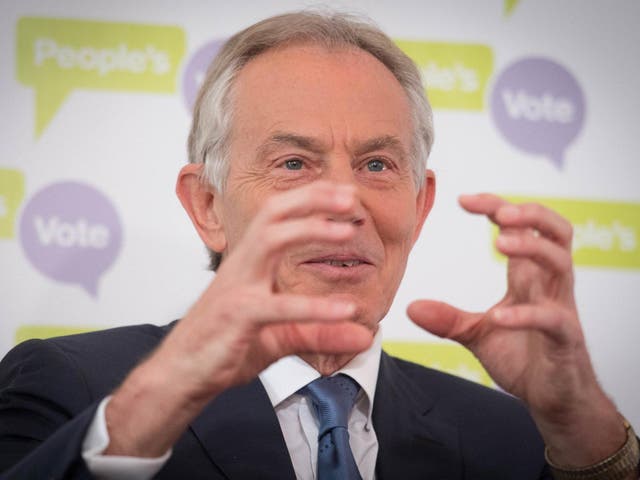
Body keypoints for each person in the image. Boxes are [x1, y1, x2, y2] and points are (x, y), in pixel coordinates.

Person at [1, 10, 638, 480]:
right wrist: (152, 409)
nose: (344, 204)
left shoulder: (516, 439)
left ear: (420, 206)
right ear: (209, 206)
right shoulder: (72, 388)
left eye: (378, 166)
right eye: (294, 164)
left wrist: (583, 428)